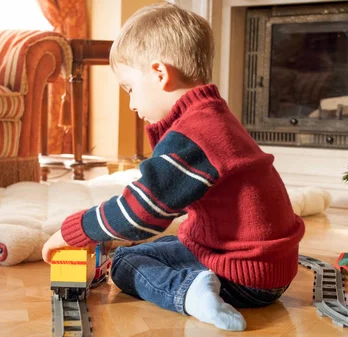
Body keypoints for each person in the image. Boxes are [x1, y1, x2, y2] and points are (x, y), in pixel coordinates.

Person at [42, 2, 305, 331]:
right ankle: (195, 283)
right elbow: (176, 203)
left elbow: (141, 212)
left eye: (130, 89)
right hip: (268, 268)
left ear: (160, 74)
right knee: (160, 243)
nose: (132, 105)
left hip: (246, 278)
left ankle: (190, 293)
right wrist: (110, 234)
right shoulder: (215, 118)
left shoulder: (192, 135)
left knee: (124, 263)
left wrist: (73, 231)